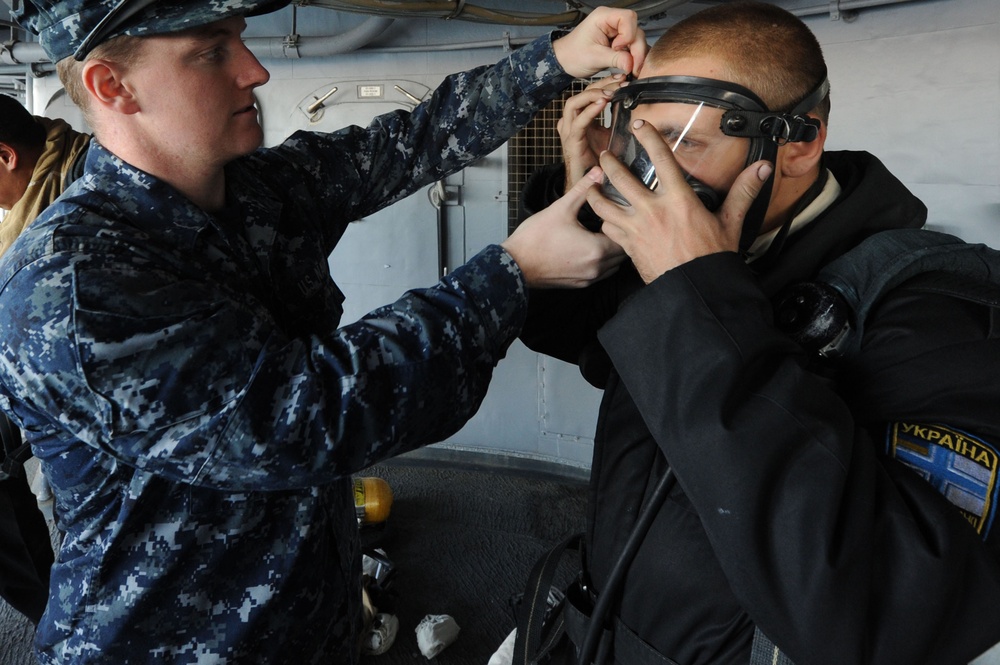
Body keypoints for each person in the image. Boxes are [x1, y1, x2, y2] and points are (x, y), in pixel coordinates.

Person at [0, 1, 650, 662]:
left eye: (239, 42)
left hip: (307, 619)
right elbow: (305, 415)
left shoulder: (251, 189)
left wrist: (559, 59)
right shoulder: (71, 282)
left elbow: (412, 140)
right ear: (114, 86)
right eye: (212, 51)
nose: (253, 71)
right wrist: (514, 273)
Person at [518, 2, 1000, 663]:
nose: (647, 175)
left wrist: (699, 298)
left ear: (798, 142)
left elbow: (893, 611)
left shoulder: (929, 310)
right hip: (609, 626)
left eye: (683, 143)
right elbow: (589, 348)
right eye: (639, 140)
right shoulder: (704, 240)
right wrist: (576, 212)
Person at [0, 95, 89, 625]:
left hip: (76, 383)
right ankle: (47, 610)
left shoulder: (83, 186)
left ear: (6, 155)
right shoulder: (49, 178)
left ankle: (55, 617)